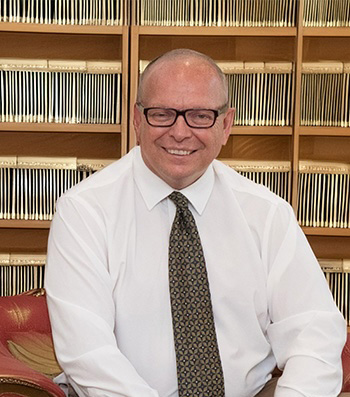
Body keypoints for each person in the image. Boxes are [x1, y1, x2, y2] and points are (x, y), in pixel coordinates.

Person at [45, 49, 347, 397]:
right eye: (162, 114)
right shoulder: (84, 212)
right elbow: (89, 356)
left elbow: (315, 330)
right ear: (137, 120)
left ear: (225, 125)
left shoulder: (266, 213)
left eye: (200, 116)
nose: (179, 132)